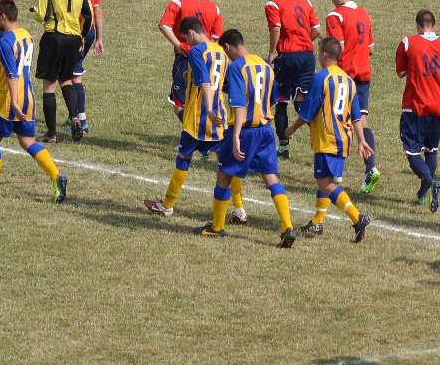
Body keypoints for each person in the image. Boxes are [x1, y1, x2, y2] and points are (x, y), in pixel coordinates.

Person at [197, 29, 296, 247]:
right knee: (271, 178)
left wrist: (235, 136)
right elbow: (272, 98)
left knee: (223, 175)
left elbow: (239, 105)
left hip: (246, 131)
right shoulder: (265, 65)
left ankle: (217, 227)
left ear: (227, 48)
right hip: (266, 129)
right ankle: (287, 227)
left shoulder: (236, 67)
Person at [0, 0, 65, 202]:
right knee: (27, 140)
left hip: (7, 99)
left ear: (3, 16)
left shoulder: (5, 41)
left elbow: (12, 74)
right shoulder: (27, 36)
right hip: (27, 96)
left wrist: (12, 101)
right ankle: (57, 177)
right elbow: (18, 70)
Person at [284, 37, 372, 242]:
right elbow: (357, 115)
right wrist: (361, 140)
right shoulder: (348, 81)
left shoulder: (321, 78)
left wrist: (290, 130)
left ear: (323, 54)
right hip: (344, 138)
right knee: (326, 180)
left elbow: (306, 113)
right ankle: (317, 222)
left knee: (324, 183)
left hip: (327, 138)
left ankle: (357, 218)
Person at [144, 17, 228, 217]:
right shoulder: (221, 52)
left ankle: (168, 205)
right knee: (226, 165)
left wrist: (207, 108)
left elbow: (205, 81)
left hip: (198, 116)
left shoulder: (197, 52)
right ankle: (240, 210)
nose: (187, 43)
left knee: (183, 158)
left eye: (186, 38)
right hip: (220, 116)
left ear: (191, 32)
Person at [394, 9, 440, 210]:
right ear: (434, 25)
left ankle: (430, 181)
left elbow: (401, 72)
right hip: (438, 105)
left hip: (415, 106)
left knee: (411, 152)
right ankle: (423, 194)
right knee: (432, 149)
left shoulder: (408, 42)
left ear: (418, 26)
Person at [33, 0, 92, 142]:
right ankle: (75, 118)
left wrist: (35, 11)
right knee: (67, 80)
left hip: (54, 36)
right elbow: (88, 14)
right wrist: (82, 35)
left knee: (49, 85)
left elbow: (41, 14)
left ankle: (51, 133)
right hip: (74, 38)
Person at [326, 0, 379, 193]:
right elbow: (371, 49)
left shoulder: (335, 15)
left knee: (338, 120)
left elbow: (336, 47)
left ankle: (336, 171)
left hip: (345, 76)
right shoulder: (364, 14)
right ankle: (371, 167)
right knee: (361, 121)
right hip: (363, 74)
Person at [265, 0, 320, 158]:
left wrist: (272, 53)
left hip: (287, 57)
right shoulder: (305, 1)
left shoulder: (273, 4)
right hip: (307, 57)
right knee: (301, 102)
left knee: (281, 101)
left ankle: (284, 146)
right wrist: (304, 43)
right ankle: (322, 137)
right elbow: (316, 30)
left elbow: (276, 29)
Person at [157, 0, 224, 115]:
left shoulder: (178, 2)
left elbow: (164, 25)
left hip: (185, 58)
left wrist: (179, 45)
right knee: (202, 99)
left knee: (179, 104)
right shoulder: (214, 8)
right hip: (208, 60)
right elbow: (216, 38)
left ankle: (193, 133)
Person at [65, 0, 104, 137]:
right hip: (89, 33)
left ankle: (81, 119)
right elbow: (97, 9)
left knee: (73, 76)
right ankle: (75, 115)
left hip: (75, 32)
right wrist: (99, 37)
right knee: (74, 72)